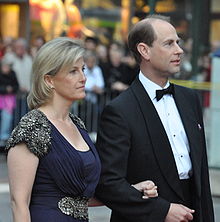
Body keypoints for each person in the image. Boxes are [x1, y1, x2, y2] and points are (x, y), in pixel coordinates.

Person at [5, 37, 157, 222]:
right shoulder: (32, 126)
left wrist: (131, 191)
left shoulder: (77, 124)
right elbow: (19, 203)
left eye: (83, 69)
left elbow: (79, 199)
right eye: (73, 71)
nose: (83, 78)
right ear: (49, 80)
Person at [95, 14, 214, 222]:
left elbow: (201, 177)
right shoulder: (119, 111)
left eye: (178, 42)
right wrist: (161, 210)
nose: (179, 50)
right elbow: (108, 183)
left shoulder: (190, 99)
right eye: (169, 43)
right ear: (144, 50)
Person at [0, 59, 19, 148]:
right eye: (4, 66)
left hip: (9, 100)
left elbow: (16, 85)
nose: (6, 68)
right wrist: (4, 89)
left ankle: (4, 138)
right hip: (2, 98)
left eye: (7, 66)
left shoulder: (12, 74)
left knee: (7, 118)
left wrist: (11, 89)